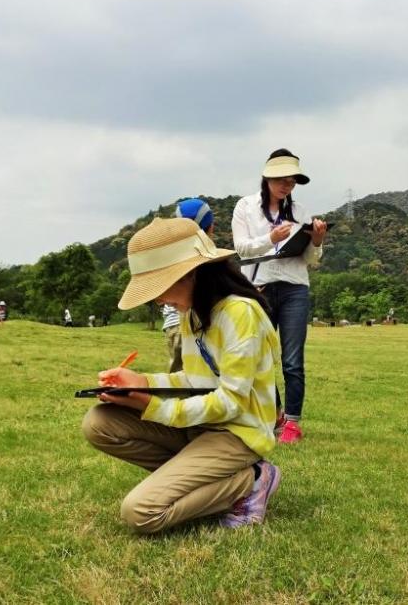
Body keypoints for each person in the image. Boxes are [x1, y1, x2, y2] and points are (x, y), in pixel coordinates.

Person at [81, 217, 282, 532]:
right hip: (202, 427)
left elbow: (232, 401)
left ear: (191, 274)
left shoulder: (240, 314)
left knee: (141, 513)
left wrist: (153, 407)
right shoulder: (193, 315)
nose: (158, 299)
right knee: (99, 422)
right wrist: (142, 382)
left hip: (237, 433)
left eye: (160, 287)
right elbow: (194, 381)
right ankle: (196, 479)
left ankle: (252, 479)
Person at [231, 148, 327, 444]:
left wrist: (317, 242)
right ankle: (275, 414)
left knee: (293, 360)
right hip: (259, 287)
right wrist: (271, 239)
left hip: (295, 287)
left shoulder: (299, 211)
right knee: (259, 357)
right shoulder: (245, 207)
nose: (287, 186)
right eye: (282, 180)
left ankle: (293, 423)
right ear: (267, 178)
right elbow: (242, 248)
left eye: (292, 181)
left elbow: (311, 260)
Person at [161, 198, 217, 374]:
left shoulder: (168, 256)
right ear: (211, 229)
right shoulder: (212, 260)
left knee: (181, 376)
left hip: (174, 324)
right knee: (204, 376)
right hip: (205, 323)